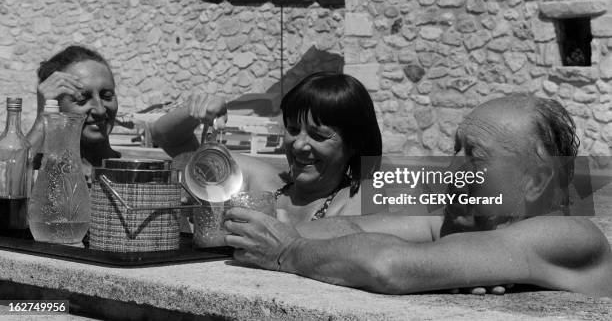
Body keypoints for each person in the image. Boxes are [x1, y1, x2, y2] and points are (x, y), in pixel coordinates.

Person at [223, 94, 612, 298]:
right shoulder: (457, 219)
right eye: (455, 148)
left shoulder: (568, 234)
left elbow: (387, 264)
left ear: (534, 181)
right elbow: (340, 227)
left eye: (473, 155)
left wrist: (285, 253)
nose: (451, 166)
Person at [154, 72, 383, 225]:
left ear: (354, 144)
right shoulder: (261, 181)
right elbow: (168, 138)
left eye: (318, 135)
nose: (300, 144)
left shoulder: (358, 200)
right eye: (293, 129)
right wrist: (195, 110)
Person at [27, 45, 227, 178]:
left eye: (106, 96)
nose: (99, 109)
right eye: (82, 98)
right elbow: (7, 178)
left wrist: (202, 105)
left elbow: (169, 136)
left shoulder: (137, 172)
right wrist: (42, 118)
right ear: (55, 106)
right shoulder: (41, 173)